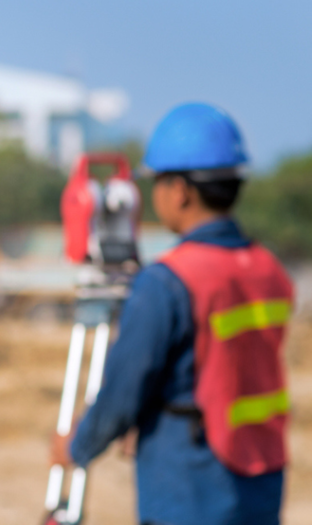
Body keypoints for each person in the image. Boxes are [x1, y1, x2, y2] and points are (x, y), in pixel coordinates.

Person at [50, 103, 293, 525]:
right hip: (261, 472)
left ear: (179, 190)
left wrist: (77, 446)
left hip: (191, 483)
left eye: (158, 182)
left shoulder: (168, 283)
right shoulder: (268, 269)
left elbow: (123, 392)